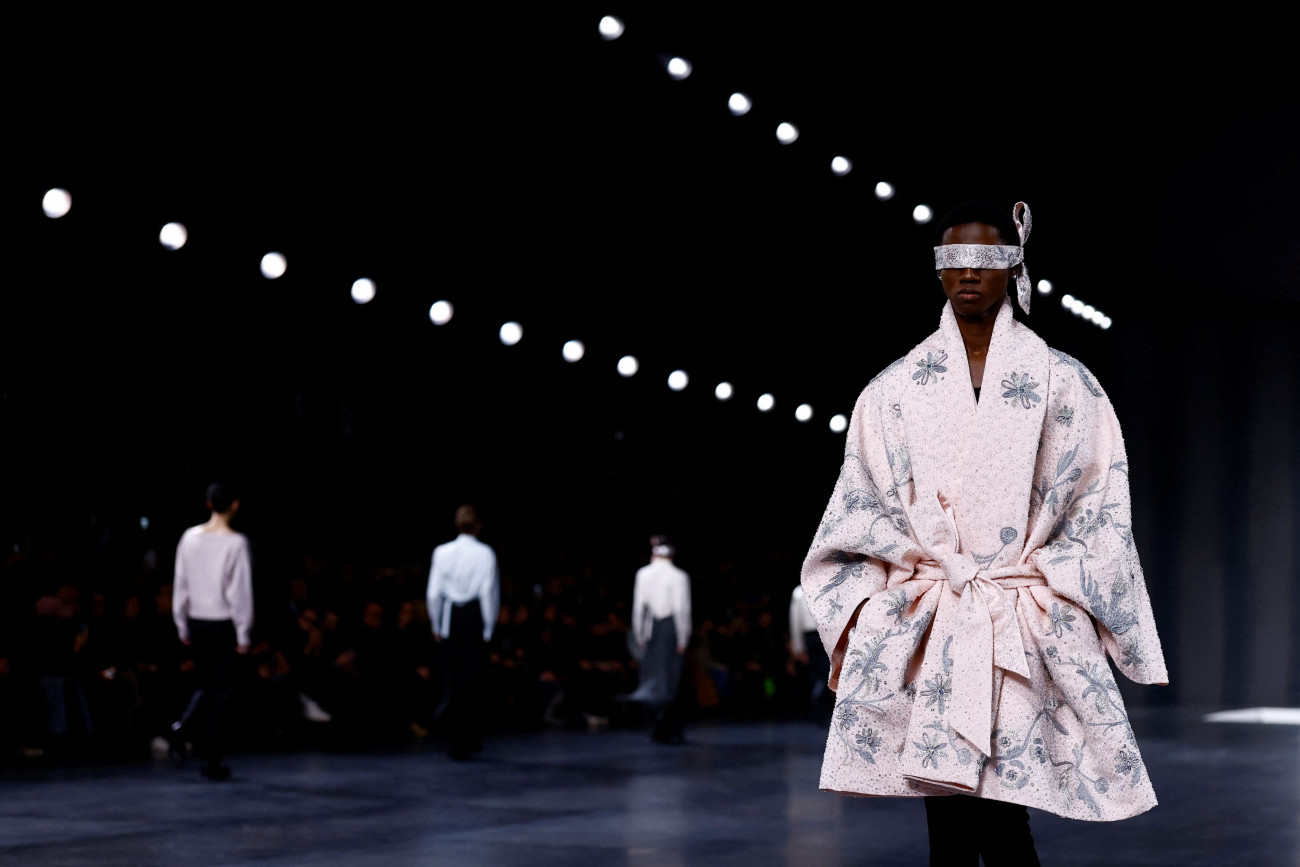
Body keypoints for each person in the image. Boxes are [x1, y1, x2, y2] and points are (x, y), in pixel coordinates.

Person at [800, 201, 1167, 865]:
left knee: (1004, 811)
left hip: (1019, 615)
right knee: (946, 819)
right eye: (953, 259)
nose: (968, 272)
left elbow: (1099, 505)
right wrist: (874, 605)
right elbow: (858, 505)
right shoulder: (893, 389)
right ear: (937, 270)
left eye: (986, 259)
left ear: (1015, 267)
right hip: (932, 616)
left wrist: (1058, 589)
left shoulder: (1065, 384)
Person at [171, 482, 253, 781]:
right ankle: (211, 759)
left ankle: (184, 730)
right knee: (222, 692)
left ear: (208, 503)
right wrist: (243, 633)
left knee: (208, 685)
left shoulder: (189, 537)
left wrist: (181, 622)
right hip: (221, 624)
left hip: (196, 621)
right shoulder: (236, 542)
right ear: (235, 505)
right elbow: (239, 592)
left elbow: (181, 583)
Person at [426, 504, 498, 760]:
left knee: (454, 680)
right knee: (472, 679)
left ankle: (457, 739)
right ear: (477, 525)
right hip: (473, 617)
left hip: (450, 618)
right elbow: (488, 592)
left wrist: (436, 625)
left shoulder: (442, 552)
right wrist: (489, 627)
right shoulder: (484, 553)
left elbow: (433, 593)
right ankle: (468, 739)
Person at [628, 535, 691, 743]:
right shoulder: (678, 576)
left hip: (652, 631)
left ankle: (656, 728)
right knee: (670, 680)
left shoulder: (644, 574)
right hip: (670, 630)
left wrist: (640, 634)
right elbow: (681, 610)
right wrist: (683, 638)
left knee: (652, 679)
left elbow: (638, 608)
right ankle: (670, 729)